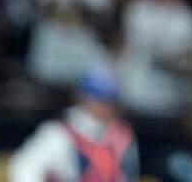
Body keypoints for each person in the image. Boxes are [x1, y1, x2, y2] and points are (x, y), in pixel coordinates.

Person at [8, 66, 139, 182]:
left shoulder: (121, 135)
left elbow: (128, 175)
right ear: (83, 97)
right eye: (99, 99)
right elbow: (23, 167)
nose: (105, 106)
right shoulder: (58, 133)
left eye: (109, 100)